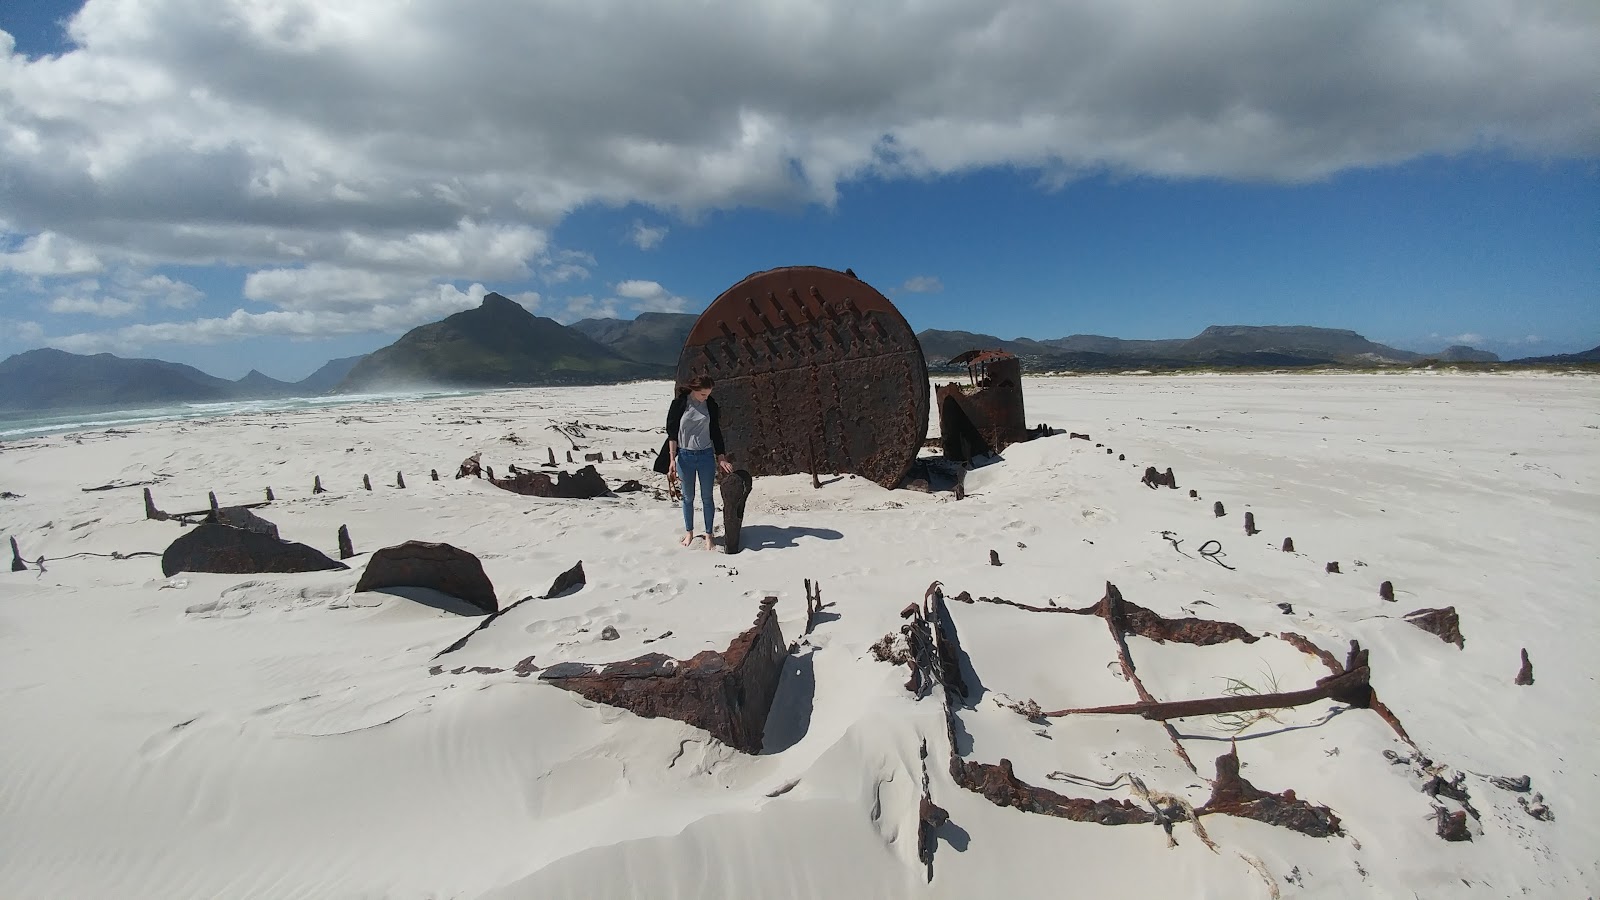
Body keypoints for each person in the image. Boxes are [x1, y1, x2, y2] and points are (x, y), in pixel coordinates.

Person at [664, 375, 733, 550]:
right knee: (688, 498)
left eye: (708, 394)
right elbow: (672, 434)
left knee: (707, 497)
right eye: (703, 394)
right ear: (694, 390)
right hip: (685, 457)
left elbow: (716, 432)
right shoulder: (680, 404)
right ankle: (690, 533)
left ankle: (709, 535)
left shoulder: (710, 405)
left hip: (705, 456)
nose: (706, 397)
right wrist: (672, 460)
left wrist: (721, 456)